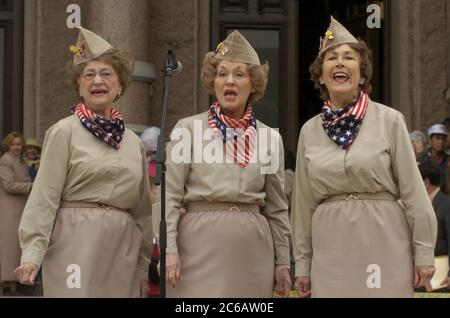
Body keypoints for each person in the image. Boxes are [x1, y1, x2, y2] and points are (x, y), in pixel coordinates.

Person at [291, 16, 437, 298]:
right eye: (331, 58)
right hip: (330, 247)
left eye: (349, 57)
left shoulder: (390, 121)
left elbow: (413, 190)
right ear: (321, 75)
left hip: (383, 241)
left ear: (362, 74)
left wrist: (423, 252)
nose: (340, 63)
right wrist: (303, 265)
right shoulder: (309, 131)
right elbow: (302, 204)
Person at [15, 27, 153, 297]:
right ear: (79, 85)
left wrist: (143, 267)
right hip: (73, 242)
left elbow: (142, 213)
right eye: (89, 75)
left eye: (106, 74)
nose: (97, 81)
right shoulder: (63, 132)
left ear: (120, 84)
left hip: (122, 247)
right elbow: (44, 197)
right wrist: (31, 254)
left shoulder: (133, 143)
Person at [165, 30, 291, 297]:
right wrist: (169, 249)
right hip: (196, 247)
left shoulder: (270, 138)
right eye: (222, 74)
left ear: (253, 84)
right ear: (213, 82)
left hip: (253, 250)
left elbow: (277, 208)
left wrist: (282, 262)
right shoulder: (186, 130)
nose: (229, 81)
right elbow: (169, 196)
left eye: (239, 74)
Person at [0, 132, 33, 296]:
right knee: (9, 248)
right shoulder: (5, 161)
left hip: (19, 209)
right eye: (13, 144)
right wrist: (30, 186)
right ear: (8, 145)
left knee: (17, 246)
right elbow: (9, 185)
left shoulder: (20, 161)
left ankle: (15, 282)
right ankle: (8, 284)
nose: (16, 147)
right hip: (9, 210)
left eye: (19, 144)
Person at [418, 162, 450, 292]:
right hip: (420, 276)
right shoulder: (420, 204)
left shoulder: (447, 204)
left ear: (425, 182)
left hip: (442, 276)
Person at [417, 124, 450, 195]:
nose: (440, 142)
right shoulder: (421, 158)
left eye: (443, 139)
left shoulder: (448, 159)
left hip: (444, 198)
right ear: (430, 140)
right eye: (437, 138)